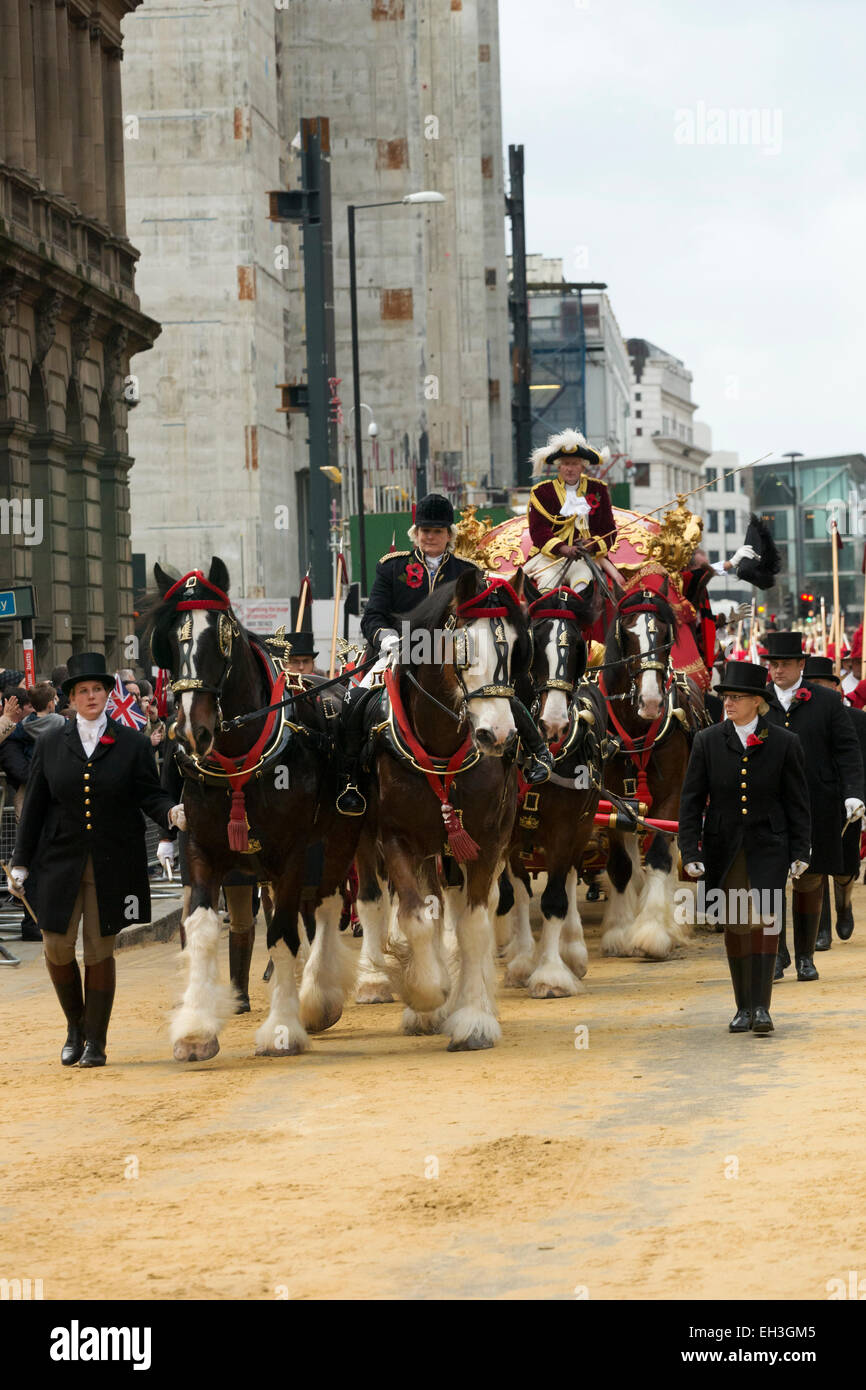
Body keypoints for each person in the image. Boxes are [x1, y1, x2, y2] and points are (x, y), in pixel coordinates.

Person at [4, 652, 186, 1068]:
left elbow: (150, 793)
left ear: (108, 694)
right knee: (56, 946)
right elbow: (33, 808)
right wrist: (20, 862)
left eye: (98, 689)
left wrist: (170, 815)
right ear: (70, 697)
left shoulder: (133, 743)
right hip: (58, 860)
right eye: (82, 690)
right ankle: (75, 1027)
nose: (91, 696)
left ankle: (96, 1042)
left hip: (111, 860)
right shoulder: (50, 743)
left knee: (99, 949)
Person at [341, 492, 552, 813]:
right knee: (355, 700)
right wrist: (385, 637)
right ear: (416, 533)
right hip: (402, 649)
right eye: (425, 530)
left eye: (437, 531)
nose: (430, 537)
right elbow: (373, 616)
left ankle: (537, 752)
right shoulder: (391, 567)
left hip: (455, 653)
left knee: (498, 690)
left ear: (449, 535)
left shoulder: (468, 572)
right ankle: (351, 780)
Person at [679, 661, 811, 1034]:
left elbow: (798, 803)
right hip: (725, 847)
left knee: (767, 922)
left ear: (757, 701)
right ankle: (742, 1007)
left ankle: (763, 1008)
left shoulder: (785, 743)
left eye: (737, 697)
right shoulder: (707, 741)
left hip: (770, 844)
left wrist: (802, 851)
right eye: (726, 697)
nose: (729, 703)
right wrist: (691, 852)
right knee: (737, 925)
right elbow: (691, 802)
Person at [763, 632, 864, 981]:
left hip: (817, 804)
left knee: (809, 882)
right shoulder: (757, 701)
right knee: (771, 883)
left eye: (785, 664)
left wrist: (853, 792)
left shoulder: (826, 701)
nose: (778, 670)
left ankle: (805, 956)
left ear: (801, 665)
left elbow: (847, 750)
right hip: (770, 808)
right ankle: (776, 954)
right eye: (773, 664)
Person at [803, 654, 866, 946]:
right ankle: (821, 929)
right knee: (816, 865)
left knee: (844, 865)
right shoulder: (801, 719)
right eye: (811, 684)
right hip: (813, 801)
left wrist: (859, 796)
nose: (817, 689)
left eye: (822, 683)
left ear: (835, 686)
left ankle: (844, 904)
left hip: (846, 802)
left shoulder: (858, 720)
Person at [527, 429, 624, 587]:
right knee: (547, 585)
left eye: (574, 464)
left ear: (583, 466)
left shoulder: (598, 489)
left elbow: (609, 530)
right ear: (559, 467)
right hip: (548, 558)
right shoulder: (541, 492)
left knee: (583, 584)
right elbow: (538, 530)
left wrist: (592, 543)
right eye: (565, 464)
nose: (569, 469)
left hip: (586, 558)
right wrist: (561, 548)